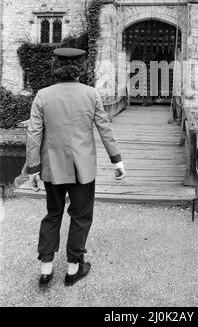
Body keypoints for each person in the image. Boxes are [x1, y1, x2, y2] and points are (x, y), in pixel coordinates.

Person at [25, 47, 126, 289]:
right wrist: (117, 160)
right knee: (81, 217)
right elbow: (105, 128)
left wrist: (33, 170)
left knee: (53, 214)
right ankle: (73, 268)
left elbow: (33, 134)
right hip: (83, 169)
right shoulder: (91, 94)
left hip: (52, 167)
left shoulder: (42, 95)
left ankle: (46, 269)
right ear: (80, 68)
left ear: (55, 67)